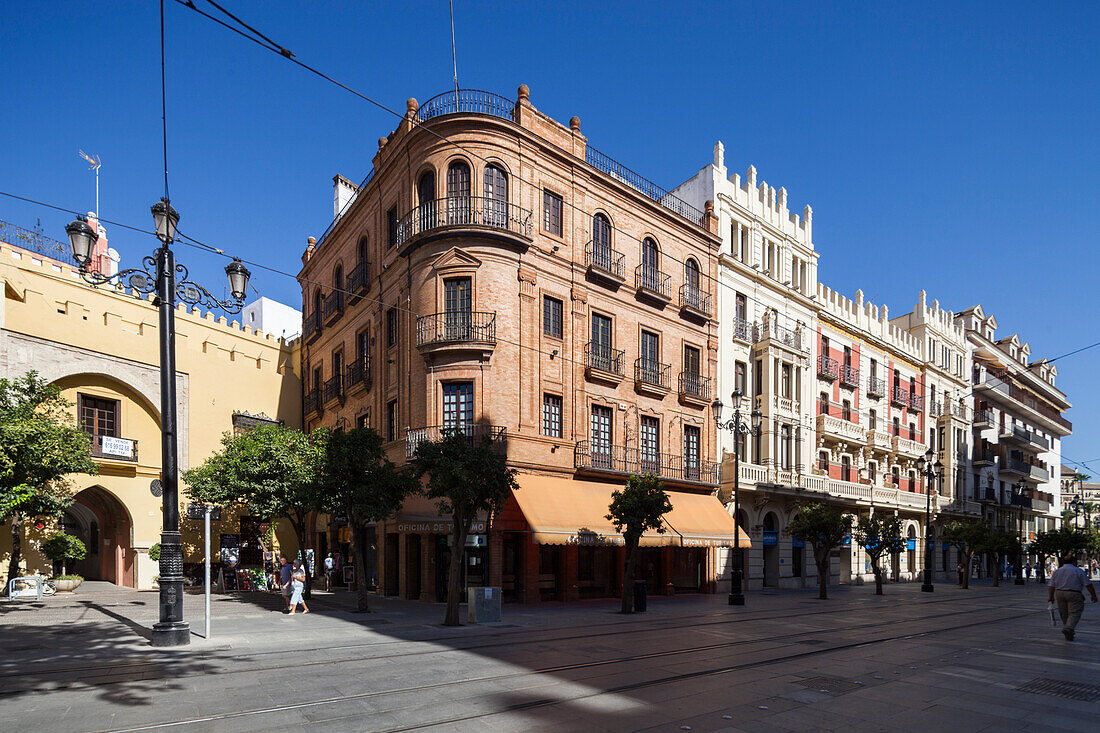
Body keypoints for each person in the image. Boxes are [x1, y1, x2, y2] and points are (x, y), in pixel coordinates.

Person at [1047, 555, 1098, 641]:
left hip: (1059, 593)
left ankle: (1068, 630)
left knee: (1064, 613)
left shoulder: (1057, 572)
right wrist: (1093, 595)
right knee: (1075, 612)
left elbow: (1052, 586)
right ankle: (1069, 628)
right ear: (1074, 562)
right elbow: (1088, 584)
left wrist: (1051, 597)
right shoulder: (1078, 571)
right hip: (1074, 593)